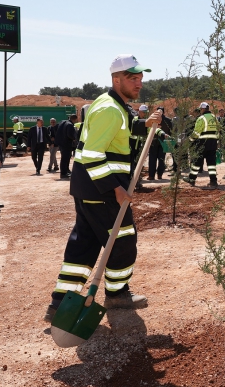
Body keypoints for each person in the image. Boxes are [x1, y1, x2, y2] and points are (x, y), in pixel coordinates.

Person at [44, 54, 162, 322]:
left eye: (140, 78)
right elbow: (92, 154)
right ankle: (117, 294)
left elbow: (122, 130)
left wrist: (145, 124)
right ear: (116, 79)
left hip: (90, 189)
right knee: (123, 240)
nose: (139, 83)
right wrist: (115, 189)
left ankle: (60, 303)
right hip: (103, 190)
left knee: (84, 244)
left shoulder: (114, 106)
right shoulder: (110, 108)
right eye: (133, 78)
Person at [183, 102, 219, 187]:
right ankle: (213, 181)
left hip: (202, 143)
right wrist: (217, 141)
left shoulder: (201, 118)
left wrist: (189, 140)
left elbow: (196, 132)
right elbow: (218, 131)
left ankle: (191, 179)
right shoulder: (214, 117)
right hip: (213, 143)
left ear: (202, 109)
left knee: (196, 162)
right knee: (211, 164)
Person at [147, 107, 173, 180]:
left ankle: (151, 176)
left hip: (153, 142)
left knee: (152, 159)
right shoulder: (168, 120)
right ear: (164, 112)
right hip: (163, 142)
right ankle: (160, 175)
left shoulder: (153, 120)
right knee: (161, 159)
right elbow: (171, 131)